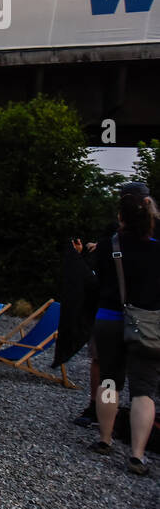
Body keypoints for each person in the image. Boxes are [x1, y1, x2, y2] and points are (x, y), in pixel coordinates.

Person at [89, 190, 160, 475]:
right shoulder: (157, 249)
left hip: (109, 319)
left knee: (110, 381)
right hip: (147, 323)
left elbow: (94, 280)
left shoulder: (109, 246)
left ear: (120, 217)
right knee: (143, 390)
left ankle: (105, 439)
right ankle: (137, 455)